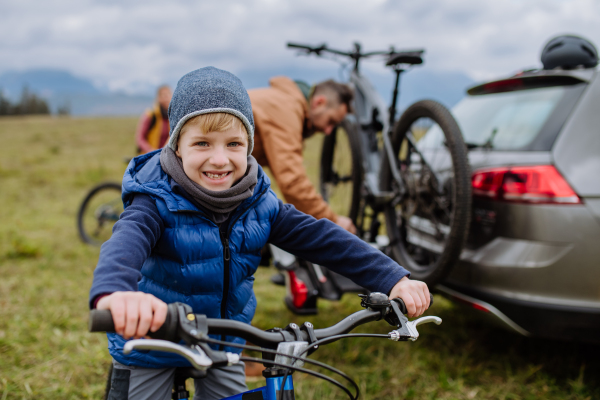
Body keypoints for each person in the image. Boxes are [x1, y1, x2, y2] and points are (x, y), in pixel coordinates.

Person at [89, 67, 430, 400]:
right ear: (177, 146)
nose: (220, 159)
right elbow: (124, 244)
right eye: (203, 143)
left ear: (250, 146)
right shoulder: (154, 200)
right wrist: (115, 294)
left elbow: (324, 239)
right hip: (153, 340)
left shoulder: (259, 202)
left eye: (234, 143)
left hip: (223, 344)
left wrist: (391, 277)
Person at [249, 78, 357, 233]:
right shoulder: (287, 109)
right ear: (319, 102)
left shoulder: (285, 101)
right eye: (330, 121)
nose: (328, 131)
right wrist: (333, 220)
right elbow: (292, 182)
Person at [135, 85, 172, 154]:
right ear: (158, 98)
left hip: (166, 156)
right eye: (164, 95)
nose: (166, 98)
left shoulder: (173, 116)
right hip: (149, 156)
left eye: (168, 95)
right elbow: (140, 138)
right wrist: (150, 150)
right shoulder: (150, 115)